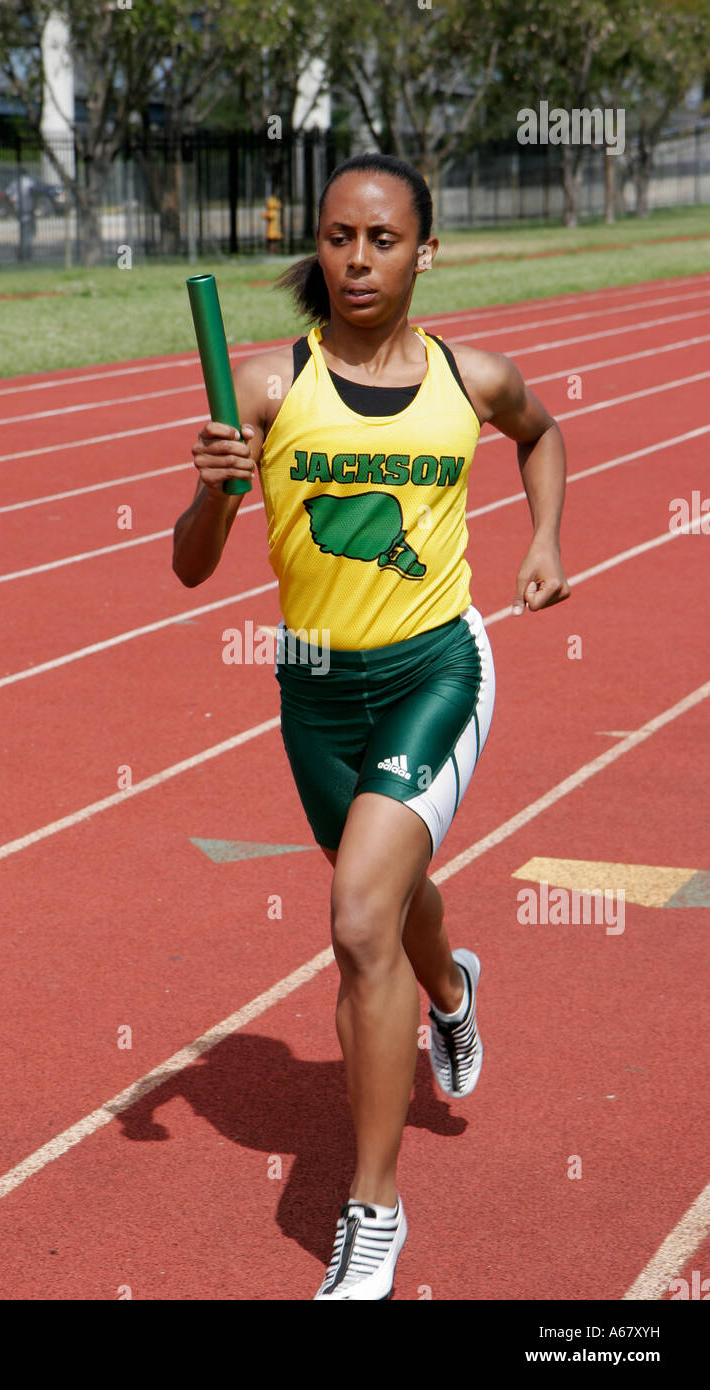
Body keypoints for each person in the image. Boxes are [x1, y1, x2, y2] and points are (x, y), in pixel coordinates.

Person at [172, 152, 570, 1300]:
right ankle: (453, 992)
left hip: (437, 669)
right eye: (340, 237)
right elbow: (192, 570)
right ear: (319, 246)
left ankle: (373, 1208)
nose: (358, 258)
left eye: (383, 239)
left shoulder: (475, 379)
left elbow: (542, 436)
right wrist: (214, 488)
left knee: (356, 918)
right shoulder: (265, 388)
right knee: (386, 892)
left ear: (424, 253)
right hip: (311, 687)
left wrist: (544, 543)